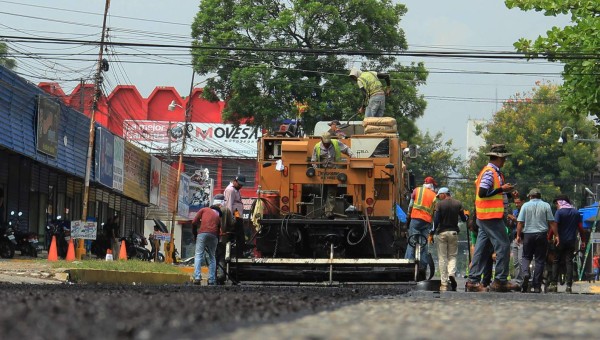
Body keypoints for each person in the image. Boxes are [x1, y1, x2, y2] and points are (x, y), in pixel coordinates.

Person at [466, 144, 520, 292]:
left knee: (482, 249)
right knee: (503, 246)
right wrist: (502, 189)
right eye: (504, 158)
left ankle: (473, 281)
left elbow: (493, 193)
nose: (505, 161)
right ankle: (500, 281)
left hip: (485, 216)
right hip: (491, 216)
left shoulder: (494, 172)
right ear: (499, 158)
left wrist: (507, 193)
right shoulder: (490, 173)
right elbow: (483, 192)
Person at [516, 188, 558, 293]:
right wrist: (557, 235)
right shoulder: (546, 205)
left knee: (526, 257)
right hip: (542, 235)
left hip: (528, 235)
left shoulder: (525, 205)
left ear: (530, 196)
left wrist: (518, 235)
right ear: (540, 196)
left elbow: (520, 222)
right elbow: (552, 222)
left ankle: (526, 273)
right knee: (540, 260)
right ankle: (537, 285)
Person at [432, 187, 467, 291]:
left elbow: (436, 220)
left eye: (439, 196)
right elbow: (464, 219)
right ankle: (451, 273)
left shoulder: (440, 205)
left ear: (444, 194)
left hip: (442, 233)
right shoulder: (458, 203)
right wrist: (467, 216)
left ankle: (444, 283)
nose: (439, 198)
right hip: (453, 233)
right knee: (452, 256)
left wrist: (431, 233)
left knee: (442, 258)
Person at [549, 195, 585, 293]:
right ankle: (569, 286)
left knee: (556, 261)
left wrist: (549, 238)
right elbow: (581, 229)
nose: (556, 205)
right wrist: (583, 241)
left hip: (559, 241)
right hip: (571, 241)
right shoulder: (576, 212)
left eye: (557, 203)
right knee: (569, 261)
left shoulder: (559, 212)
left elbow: (554, 226)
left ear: (560, 202)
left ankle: (553, 284)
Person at [404, 176, 437, 273]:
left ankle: (408, 263)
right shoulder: (434, 195)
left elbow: (410, 205)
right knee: (423, 243)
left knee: (412, 241)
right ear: (431, 185)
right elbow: (435, 211)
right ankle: (422, 266)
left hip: (416, 219)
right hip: (427, 221)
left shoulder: (417, 190)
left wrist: (408, 216)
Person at [191, 198, 223, 285]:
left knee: (198, 255)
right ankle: (211, 279)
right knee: (212, 257)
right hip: (214, 236)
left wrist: (195, 235)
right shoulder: (217, 217)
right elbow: (219, 232)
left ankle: (197, 277)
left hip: (202, 234)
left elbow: (194, 222)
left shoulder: (203, 209)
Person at [223, 174, 246, 257]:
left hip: (237, 213)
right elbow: (229, 205)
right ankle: (239, 254)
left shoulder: (236, 190)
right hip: (234, 213)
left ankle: (239, 252)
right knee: (239, 234)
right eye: (239, 184)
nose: (240, 186)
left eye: (241, 185)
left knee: (239, 234)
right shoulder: (231, 190)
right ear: (234, 181)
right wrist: (231, 218)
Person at [507, 196, 524, 286]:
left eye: (518, 202)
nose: (517, 205)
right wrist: (510, 220)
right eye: (515, 203)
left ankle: (522, 280)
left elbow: (522, 223)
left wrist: (514, 219)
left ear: (523, 202)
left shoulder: (525, 211)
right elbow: (511, 226)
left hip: (522, 238)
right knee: (515, 261)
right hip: (514, 238)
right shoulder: (515, 211)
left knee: (521, 260)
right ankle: (518, 280)